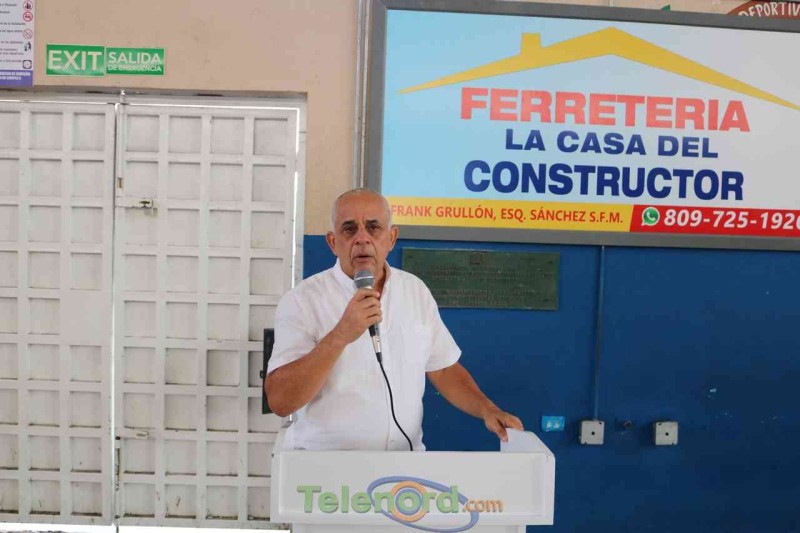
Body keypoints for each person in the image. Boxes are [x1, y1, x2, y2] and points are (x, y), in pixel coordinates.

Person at [265, 188, 523, 451]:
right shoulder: (302, 301)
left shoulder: (415, 291)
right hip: (326, 469)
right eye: (349, 229)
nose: (362, 239)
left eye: (373, 227)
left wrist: (487, 409)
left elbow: (443, 369)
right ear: (332, 242)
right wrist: (340, 336)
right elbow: (280, 402)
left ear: (391, 238)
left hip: (403, 467)